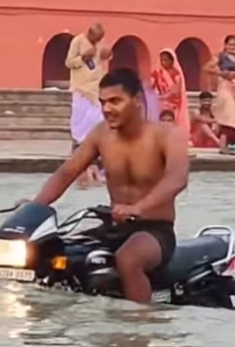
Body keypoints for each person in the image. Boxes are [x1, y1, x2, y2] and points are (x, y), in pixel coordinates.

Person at [17, 68, 189, 304]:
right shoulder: (101, 134)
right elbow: (68, 172)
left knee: (128, 260)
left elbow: (177, 179)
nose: (106, 108)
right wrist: (35, 206)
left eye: (115, 101)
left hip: (155, 231)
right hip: (114, 227)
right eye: (103, 102)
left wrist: (138, 208)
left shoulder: (167, 136)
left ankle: (142, 321)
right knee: (57, 253)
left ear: (137, 100)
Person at [65, 23, 112, 187]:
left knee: (99, 121)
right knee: (80, 123)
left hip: (96, 87)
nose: (96, 41)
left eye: (99, 39)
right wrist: (83, 58)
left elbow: (103, 58)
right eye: (94, 38)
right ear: (89, 33)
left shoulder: (99, 43)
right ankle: (80, 159)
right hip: (81, 88)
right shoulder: (78, 41)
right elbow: (68, 62)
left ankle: (96, 161)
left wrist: (107, 54)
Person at [203, 35, 235, 154]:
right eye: (230, 44)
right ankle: (222, 146)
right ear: (225, 45)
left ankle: (226, 145)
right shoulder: (220, 57)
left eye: (234, 45)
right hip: (225, 87)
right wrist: (221, 73)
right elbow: (206, 68)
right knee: (228, 116)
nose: (232, 47)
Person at [149, 49, 189, 133]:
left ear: (172, 61)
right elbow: (151, 86)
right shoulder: (158, 72)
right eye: (162, 60)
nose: (163, 62)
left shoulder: (177, 75)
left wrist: (163, 97)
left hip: (173, 104)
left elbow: (176, 92)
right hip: (160, 102)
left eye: (165, 60)